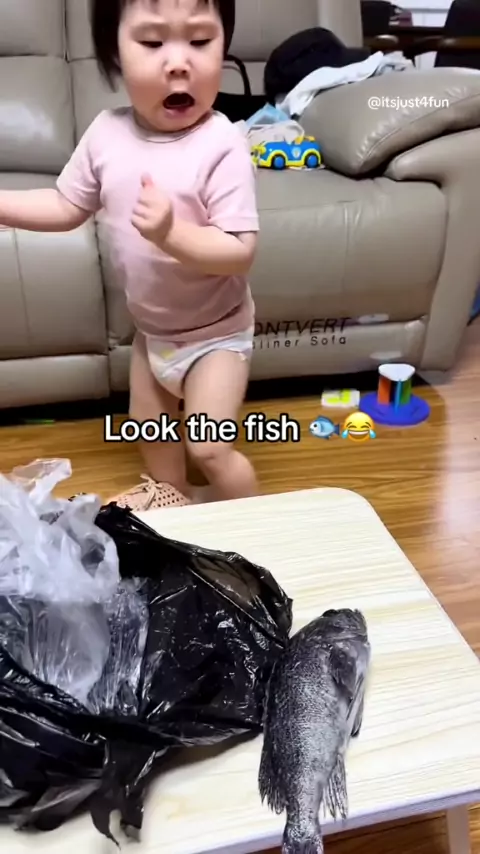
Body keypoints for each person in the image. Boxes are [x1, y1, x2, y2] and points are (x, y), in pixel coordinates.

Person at [0, 0, 260, 511]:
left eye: (200, 41)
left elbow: (238, 250)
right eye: (153, 42)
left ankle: (262, 527)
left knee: (208, 448)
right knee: (152, 436)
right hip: (153, 336)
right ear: (115, 53)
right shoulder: (106, 133)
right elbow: (66, 205)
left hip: (217, 336)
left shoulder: (222, 144)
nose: (179, 62)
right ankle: (176, 508)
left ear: (224, 47)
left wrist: (171, 233)